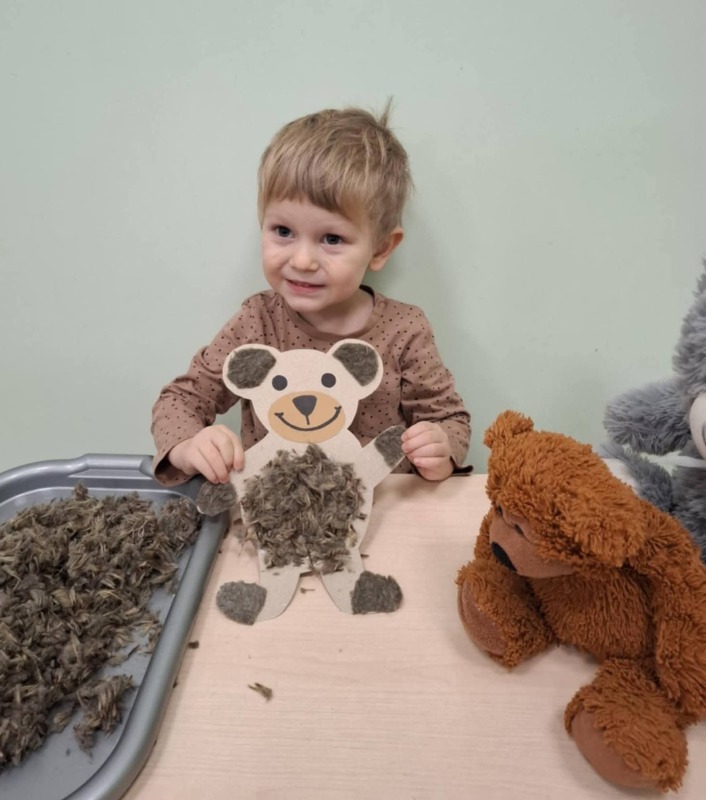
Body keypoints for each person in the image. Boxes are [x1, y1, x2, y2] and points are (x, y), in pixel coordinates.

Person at [151, 103, 470, 486]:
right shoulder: (257, 321)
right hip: (274, 509)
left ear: (382, 247)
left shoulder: (404, 330)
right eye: (283, 231)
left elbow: (449, 420)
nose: (302, 261)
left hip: (379, 509)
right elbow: (181, 400)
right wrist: (188, 446)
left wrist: (441, 449)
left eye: (331, 239)